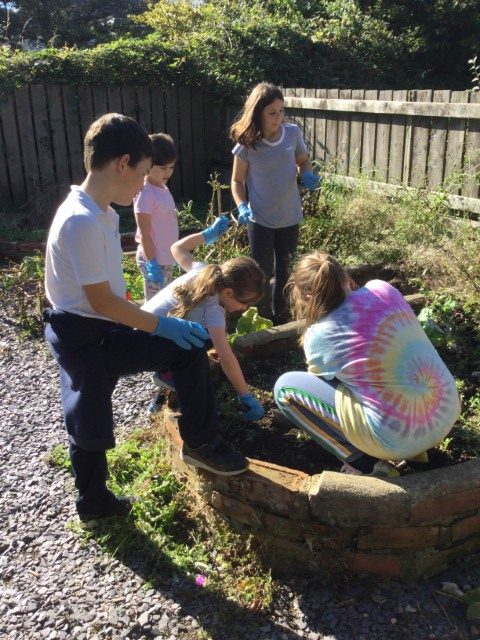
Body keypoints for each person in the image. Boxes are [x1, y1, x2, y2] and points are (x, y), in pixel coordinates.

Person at [44, 114, 248, 523]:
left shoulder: (95, 209)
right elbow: (101, 302)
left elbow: (100, 291)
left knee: (87, 410)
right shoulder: (82, 220)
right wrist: (161, 324)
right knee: (183, 350)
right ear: (122, 164)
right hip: (88, 334)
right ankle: (201, 442)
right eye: (140, 173)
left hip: (86, 328)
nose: (142, 184)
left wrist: (137, 308)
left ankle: (93, 504)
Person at [273, 251, 461, 477]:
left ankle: (368, 465)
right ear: (345, 276)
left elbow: (330, 386)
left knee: (285, 388)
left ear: (306, 295)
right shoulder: (382, 289)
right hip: (445, 415)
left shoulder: (319, 335)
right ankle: (419, 453)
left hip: (397, 439)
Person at [142, 219, 266, 421]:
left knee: (197, 340)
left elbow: (177, 247)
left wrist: (206, 235)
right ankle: (166, 373)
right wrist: (246, 396)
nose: (245, 308)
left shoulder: (203, 271)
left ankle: (164, 377)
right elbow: (226, 357)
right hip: (145, 344)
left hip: (140, 326)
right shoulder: (213, 309)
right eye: (245, 303)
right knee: (203, 343)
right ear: (228, 292)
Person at [230, 82, 320, 325]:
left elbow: (303, 160)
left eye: (281, 110)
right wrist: (242, 205)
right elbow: (237, 181)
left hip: (290, 216)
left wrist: (307, 174)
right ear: (257, 113)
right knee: (261, 273)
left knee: (286, 270)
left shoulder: (292, 133)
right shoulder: (248, 143)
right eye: (272, 112)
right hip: (259, 219)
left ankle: (281, 317)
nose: (278, 117)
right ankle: (260, 318)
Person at [134, 133, 178, 300]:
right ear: (148, 165)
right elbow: (145, 234)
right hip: (154, 260)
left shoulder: (163, 188)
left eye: (171, 167)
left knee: (165, 303)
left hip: (166, 259)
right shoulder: (146, 193)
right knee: (154, 306)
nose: (168, 172)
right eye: (162, 168)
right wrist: (151, 263)